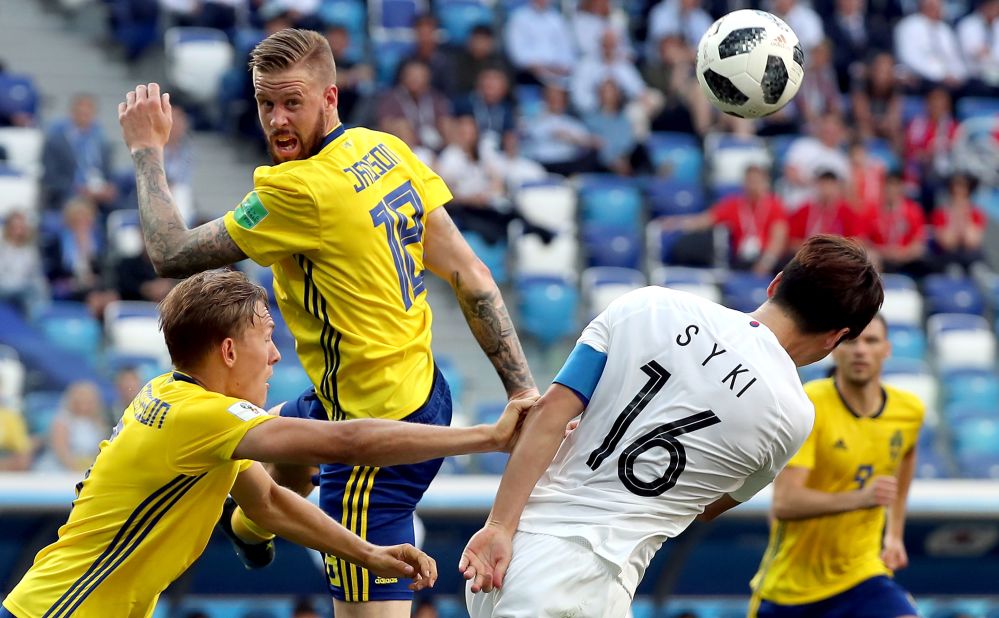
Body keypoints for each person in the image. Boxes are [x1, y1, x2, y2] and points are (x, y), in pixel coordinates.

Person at [118, 28, 538, 617]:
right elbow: (471, 275)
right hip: (423, 389)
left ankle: (253, 523)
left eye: (293, 102)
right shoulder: (384, 149)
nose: (277, 120)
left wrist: (146, 149)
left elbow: (167, 252)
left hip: (373, 443)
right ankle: (252, 526)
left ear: (330, 97)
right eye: (266, 104)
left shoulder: (295, 191)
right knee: (284, 433)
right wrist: (521, 384)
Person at [1, 269, 532, 618]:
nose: (276, 356)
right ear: (229, 351)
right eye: (266, 339)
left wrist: (367, 553)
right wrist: (486, 436)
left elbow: (271, 501)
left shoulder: (176, 399)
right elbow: (345, 440)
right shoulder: (201, 417)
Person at [460, 235, 885, 617]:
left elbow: (551, 412)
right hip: (587, 575)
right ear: (836, 338)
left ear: (774, 284)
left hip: (511, 548)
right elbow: (707, 508)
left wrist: (499, 525)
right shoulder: (792, 417)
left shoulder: (647, 304)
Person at [748, 315, 924, 618]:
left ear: (887, 349)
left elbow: (905, 459)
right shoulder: (809, 405)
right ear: (835, 348)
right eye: (851, 341)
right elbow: (786, 503)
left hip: (862, 572)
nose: (860, 350)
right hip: (792, 586)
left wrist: (894, 534)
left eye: (871, 341)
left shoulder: (909, 411)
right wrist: (863, 498)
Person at [41, 94, 117, 212]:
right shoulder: (56, 141)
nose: (84, 116)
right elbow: (50, 178)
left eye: (88, 113)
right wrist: (79, 189)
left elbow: (108, 172)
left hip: (99, 191)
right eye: (81, 112)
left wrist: (109, 187)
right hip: (69, 193)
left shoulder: (101, 141)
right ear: (72, 113)